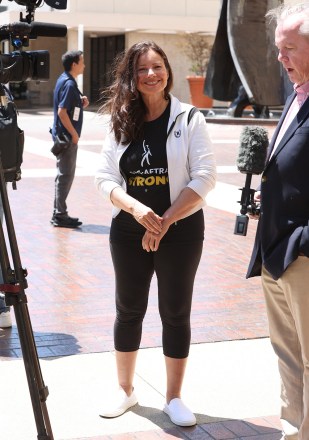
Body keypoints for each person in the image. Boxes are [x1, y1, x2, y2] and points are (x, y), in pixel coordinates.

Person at [95, 41, 216, 426]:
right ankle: (125, 390)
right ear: (132, 76)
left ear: (168, 71)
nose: (151, 75)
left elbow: (205, 177)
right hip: (129, 231)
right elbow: (104, 178)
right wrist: (135, 208)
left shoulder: (189, 118)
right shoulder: (120, 119)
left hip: (180, 231)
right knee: (128, 310)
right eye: (142, 69)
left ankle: (174, 397)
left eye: (157, 67)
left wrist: (163, 222)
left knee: (175, 312)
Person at [247, 3, 309, 439]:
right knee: (287, 354)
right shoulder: (295, 95)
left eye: (289, 48)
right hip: (274, 251)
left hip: (301, 254)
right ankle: (294, 431)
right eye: (277, 49)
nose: (280, 58)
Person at [51, 50, 89, 228]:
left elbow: (66, 103)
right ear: (74, 64)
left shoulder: (64, 79)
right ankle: (60, 215)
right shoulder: (69, 84)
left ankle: (58, 213)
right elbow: (62, 111)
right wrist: (74, 134)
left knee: (62, 176)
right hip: (66, 138)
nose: (84, 65)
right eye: (82, 61)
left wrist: (80, 100)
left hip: (62, 136)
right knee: (66, 176)